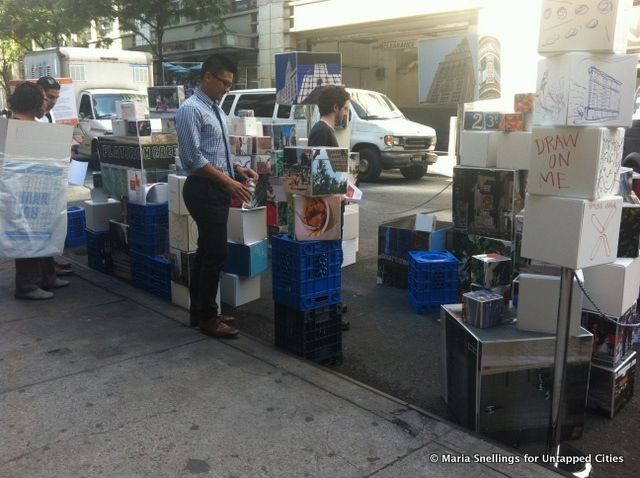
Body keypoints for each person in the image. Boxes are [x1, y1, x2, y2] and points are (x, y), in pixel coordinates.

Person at [175, 54, 258, 339]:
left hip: (217, 187)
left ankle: (201, 311)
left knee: (207, 252)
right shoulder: (190, 110)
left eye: (230, 84)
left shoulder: (217, 111)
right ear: (208, 77)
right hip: (203, 189)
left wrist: (238, 169)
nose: (226, 89)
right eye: (224, 82)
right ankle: (208, 317)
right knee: (216, 253)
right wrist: (227, 182)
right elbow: (192, 157)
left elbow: (220, 154)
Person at [9, 82, 70, 300]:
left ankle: (46, 277)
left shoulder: (17, 126)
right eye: (44, 99)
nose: (47, 103)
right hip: (26, 194)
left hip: (31, 193)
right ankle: (27, 285)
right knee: (28, 238)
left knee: (41, 235)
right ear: (34, 102)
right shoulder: (21, 128)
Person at [307, 85, 351, 331]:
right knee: (327, 258)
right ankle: (326, 307)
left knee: (331, 257)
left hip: (331, 207)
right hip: (327, 211)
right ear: (335, 108)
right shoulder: (321, 133)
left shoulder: (324, 131)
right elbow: (317, 177)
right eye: (344, 108)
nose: (345, 113)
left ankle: (331, 303)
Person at [35, 76, 74, 277]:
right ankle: (42, 272)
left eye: (56, 98)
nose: (52, 102)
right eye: (49, 97)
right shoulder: (30, 117)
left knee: (50, 226)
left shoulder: (49, 116)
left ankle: (49, 266)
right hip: (37, 180)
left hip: (51, 178)